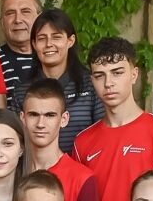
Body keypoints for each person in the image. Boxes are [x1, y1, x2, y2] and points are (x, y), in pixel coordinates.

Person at [72, 38, 153, 201]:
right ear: (92, 80)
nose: (108, 83)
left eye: (117, 73)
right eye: (99, 75)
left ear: (134, 75)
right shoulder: (82, 141)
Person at [21, 78, 99, 201]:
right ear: (23, 118)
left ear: (64, 119)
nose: (40, 124)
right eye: (33, 115)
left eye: (49, 115)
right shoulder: (12, 172)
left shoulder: (82, 178)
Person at [9, 10, 102, 154]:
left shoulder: (91, 84)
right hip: (35, 167)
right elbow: (16, 140)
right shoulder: (22, 90)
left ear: (70, 41)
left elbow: (103, 134)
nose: (49, 44)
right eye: (41, 39)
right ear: (34, 44)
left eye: (56, 37)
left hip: (82, 165)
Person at [0, 0, 41, 102]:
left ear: (40, 18)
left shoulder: (54, 58)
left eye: (25, 11)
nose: (18, 20)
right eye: (10, 13)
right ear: (2, 21)